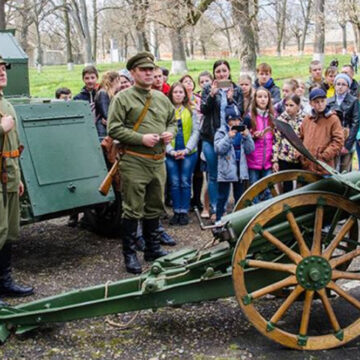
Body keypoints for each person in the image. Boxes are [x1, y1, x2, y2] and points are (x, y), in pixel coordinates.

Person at [107, 52, 176, 274]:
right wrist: (141, 139)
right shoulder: (122, 98)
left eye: (151, 70)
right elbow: (114, 129)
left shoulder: (161, 98)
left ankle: (152, 249)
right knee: (132, 209)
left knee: (155, 205)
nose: (149, 73)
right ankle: (130, 254)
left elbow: (172, 121)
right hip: (135, 160)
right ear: (133, 73)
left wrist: (169, 133)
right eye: (143, 70)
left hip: (158, 161)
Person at [0, 55, 33, 305]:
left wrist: (18, 177)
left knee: (9, 231)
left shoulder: (6, 103)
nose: (2, 72)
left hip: (8, 175)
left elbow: (13, 146)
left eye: (3, 68)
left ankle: (5, 281)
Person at [201, 59, 243, 222]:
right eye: (218, 71)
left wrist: (231, 99)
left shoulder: (236, 89)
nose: (221, 74)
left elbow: (241, 112)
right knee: (213, 174)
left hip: (230, 137)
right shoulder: (207, 89)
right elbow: (204, 109)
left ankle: (230, 207)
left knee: (230, 174)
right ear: (214, 73)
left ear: (229, 71)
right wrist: (212, 95)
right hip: (210, 136)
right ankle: (215, 208)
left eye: (224, 70)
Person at [166, 82, 200, 225]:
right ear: (171, 94)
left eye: (181, 92)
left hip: (188, 152)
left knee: (185, 181)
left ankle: (184, 211)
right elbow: (163, 132)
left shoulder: (191, 110)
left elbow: (195, 131)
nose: (178, 94)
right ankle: (176, 211)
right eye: (175, 92)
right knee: (174, 182)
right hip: (171, 153)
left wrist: (186, 150)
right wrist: (171, 151)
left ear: (185, 95)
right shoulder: (166, 111)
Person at [214, 104, 254, 221]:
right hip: (226, 169)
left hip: (240, 168)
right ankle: (219, 219)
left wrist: (247, 137)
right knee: (222, 196)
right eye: (232, 120)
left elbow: (250, 149)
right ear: (227, 120)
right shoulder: (221, 132)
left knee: (239, 196)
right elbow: (218, 149)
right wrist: (228, 137)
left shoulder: (243, 132)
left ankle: (238, 220)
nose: (236, 122)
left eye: (238, 120)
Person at [71, 65, 99, 227]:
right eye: (87, 78)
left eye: (92, 77)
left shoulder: (101, 94)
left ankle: (90, 214)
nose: (90, 81)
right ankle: (74, 213)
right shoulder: (78, 98)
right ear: (83, 79)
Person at [299, 88, 344, 175]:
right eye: (317, 102)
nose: (320, 104)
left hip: (324, 167)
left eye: (322, 101)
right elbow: (300, 138)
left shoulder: (333, 119)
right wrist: (300, 155)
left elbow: (338, 140)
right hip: (306, 166)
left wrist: (324, 156)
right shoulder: (307, 119)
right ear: (311, 103)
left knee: (323, 188)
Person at [246, 87, 274, 202]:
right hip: (253, 160)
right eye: (259, 97)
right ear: (255, 99)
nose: (262, 99)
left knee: (268, 189)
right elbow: (244, 137)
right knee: (254, 189)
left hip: (268, 160)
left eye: (265, 97)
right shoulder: (249, 117)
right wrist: (252, 136)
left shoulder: (272, 116)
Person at [272, 94, 305, 192]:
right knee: (286, 185)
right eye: (286, 105)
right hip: (284, 157)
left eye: (291, 105)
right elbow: (276, 140)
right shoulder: (281, 119)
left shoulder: (305, 119)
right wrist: (275, 160)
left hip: (299, 157)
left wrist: (302, 152)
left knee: (301, 184)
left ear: (298, 106)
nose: (288, 108)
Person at [327, 73, 359, 173]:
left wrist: (347, 145)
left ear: (348, 87)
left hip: (347, 137)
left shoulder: (353, 101)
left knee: (345, 168)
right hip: (333, 139)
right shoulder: (329, 101)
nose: (340, 87)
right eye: (338, 84)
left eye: (343, 84)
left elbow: (355, 122)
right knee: (332, 168)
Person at [94, 71, 121, 138]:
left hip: (108, 126)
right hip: (102, 129)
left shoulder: (112, 94)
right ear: (116, 80)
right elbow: (106, 114)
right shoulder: (103, 93)